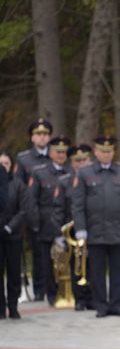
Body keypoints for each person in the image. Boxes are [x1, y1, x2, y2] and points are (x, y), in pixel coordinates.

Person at [71, 136, 120, 318]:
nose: (106, 154)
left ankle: (116, 305)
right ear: (95, 152)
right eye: (103, 151)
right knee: (97, 271)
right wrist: (80, 227)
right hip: (95, 230)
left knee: (118, 271)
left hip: (119, 229)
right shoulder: (85, 172)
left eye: (109, 151)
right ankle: (100, 305)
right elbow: (78, 204)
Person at [25, 136, 71, 306]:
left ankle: (69, 292)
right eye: (58, 152)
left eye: (64, 152)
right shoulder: (39, 172)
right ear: (51, 153)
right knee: (47, 262)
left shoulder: (71, 171)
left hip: (66, 224)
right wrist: (36, 223)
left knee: (68, 260)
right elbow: (31, 200)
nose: (61, 155)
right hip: (45, 223)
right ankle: (51, 294)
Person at [53, 144, 93, 311]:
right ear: (72, 162)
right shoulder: (64, 182)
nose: (81, 163)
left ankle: (94, 298)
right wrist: (59, 234)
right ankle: (80, 299)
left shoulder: (96, 178)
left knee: (94, 265)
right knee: (77, 265)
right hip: (72, 231)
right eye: (77, 160)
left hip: (94, 228)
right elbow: (57, 209)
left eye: (84, 159)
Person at [16, 118, 52, 301]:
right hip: (34, 213)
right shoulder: (24, 159)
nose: (42, 137)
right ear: (32, 138)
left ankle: (57, 287)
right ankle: (40, 289)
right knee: (38, 253)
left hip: (55, 212)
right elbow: (19, 187)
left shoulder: (56, 154)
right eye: (38, 134)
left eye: (45, 134)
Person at [0, 153, 24, 319]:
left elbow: (24, 209)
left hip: (13, 235)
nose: (3, 166)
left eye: (6, 163)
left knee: (14, 272)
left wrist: (10, 227)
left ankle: (13, 306)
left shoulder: (18, 184)